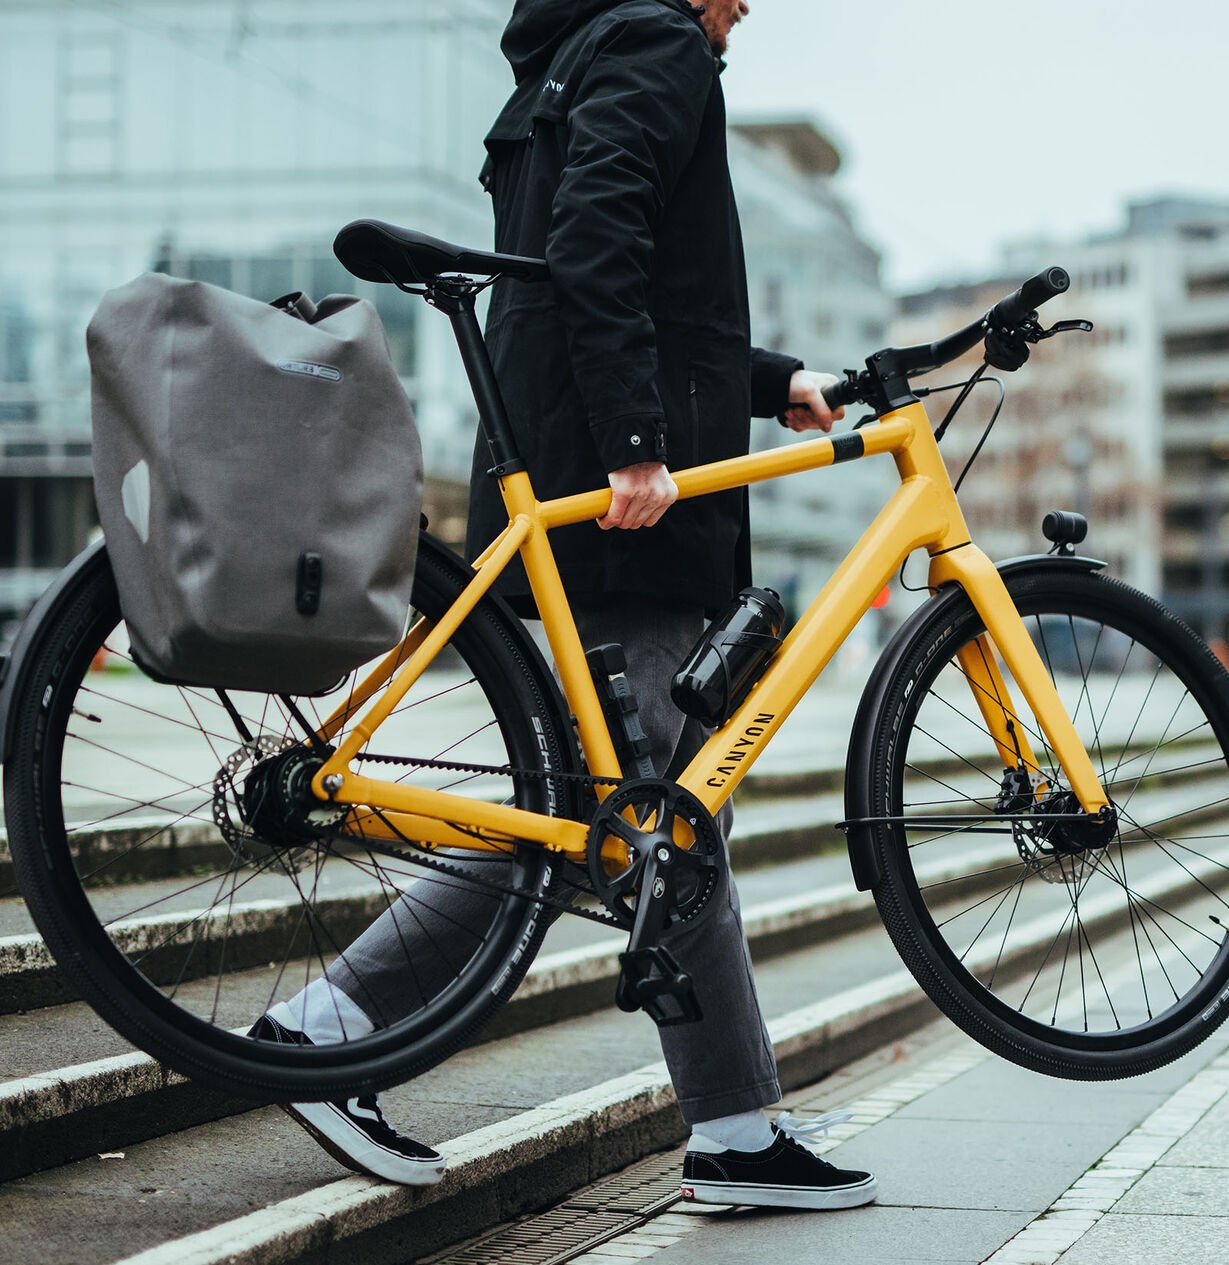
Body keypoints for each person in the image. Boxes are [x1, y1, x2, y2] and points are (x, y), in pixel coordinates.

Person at [254, 0, 878, 1212]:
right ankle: (326, 1025)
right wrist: (641, 444)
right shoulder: (656, 43)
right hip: (617, 498)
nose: (748, 3)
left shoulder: (574, 50)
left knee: (665, 817)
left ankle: (736, 1124)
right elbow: (596, 243)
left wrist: (770, 380)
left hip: (577, 466)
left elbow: (607, 282)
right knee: (617, 812)